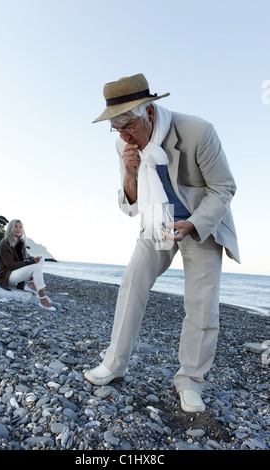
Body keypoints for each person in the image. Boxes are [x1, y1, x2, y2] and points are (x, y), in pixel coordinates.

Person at [84, 73, 240, 413]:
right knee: (132, 282)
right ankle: (114, 363)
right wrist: (128, 174)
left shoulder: (198, 132)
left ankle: (190, 381)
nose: (125, 137)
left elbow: (224, 188)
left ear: (150, 112)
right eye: (117, 130)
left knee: (201, 305)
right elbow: (131, 205)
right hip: (156, 219)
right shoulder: (123, 143)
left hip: (200, 223)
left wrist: (193, 223)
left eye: (130, 127)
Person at [0, 219, 56, 312]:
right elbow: (10, 265)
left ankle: (31, 283)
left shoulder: (20, 243)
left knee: (41, 258)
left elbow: (21, 261)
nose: (18, 229)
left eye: (20, 227)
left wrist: (32, 262)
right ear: (10, 228)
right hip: (6, 276)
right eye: (15, 226)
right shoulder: (5, 243)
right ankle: (43, 299)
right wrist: (31, 262)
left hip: (15, 273)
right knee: (36, 266)